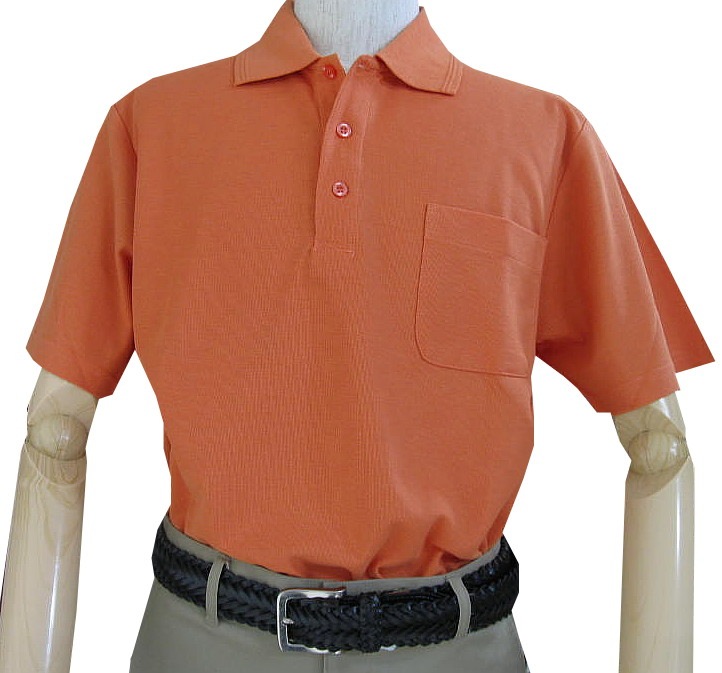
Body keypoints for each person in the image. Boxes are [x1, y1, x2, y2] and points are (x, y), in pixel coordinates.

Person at [0, 1, 715, 672]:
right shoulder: (153, 124)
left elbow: (659, 445)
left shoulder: (542, 135)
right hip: (203, 639)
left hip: (452, 648)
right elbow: (55, 430)